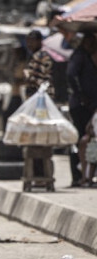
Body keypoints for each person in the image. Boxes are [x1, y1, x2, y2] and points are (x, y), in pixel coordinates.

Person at [67, 32, 97, 187]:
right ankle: (78, 176)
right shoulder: (79, 55)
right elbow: (71, 76)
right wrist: (81, 96)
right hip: (81, 106)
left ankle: (86, 175)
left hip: (89, 105)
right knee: (80, 140)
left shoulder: (89, 56)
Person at [24, 30, 54, 99]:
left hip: (40, 95)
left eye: (32, 41)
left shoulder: (39, 56)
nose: (29, 44)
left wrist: (27, 75)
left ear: (39, 41)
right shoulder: (42, 54)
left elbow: (36, 79)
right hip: (43, 94)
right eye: (28, 41)